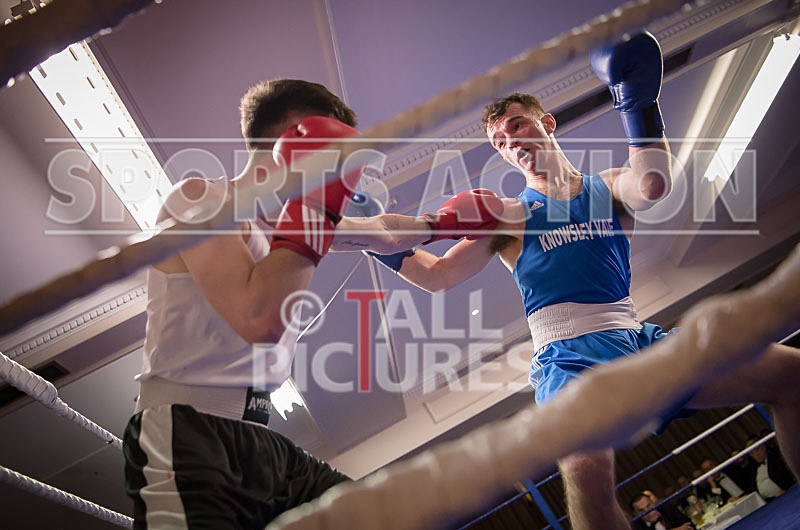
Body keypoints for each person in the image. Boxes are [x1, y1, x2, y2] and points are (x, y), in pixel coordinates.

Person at [340, 31, 800, 529]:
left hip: (635, 338)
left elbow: (651, 184)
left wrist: (638, 104)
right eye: (500, 142)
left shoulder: (605, 187)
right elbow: (434, 274)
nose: (512, 143)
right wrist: (343, 229)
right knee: (586, 476)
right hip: (566, 358)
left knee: (790, 376)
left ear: (548, 122)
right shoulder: (509, 216)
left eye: (517, 126)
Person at [121, 79, 419, 529]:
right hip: (186, 434)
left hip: (261, 441)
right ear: (300, 138)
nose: (339, 175)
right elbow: (258, 318)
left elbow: (385, 230)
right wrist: (319, 205)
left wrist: (463, 220)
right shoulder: (201, 199)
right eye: (333, 157)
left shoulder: (283, 226)